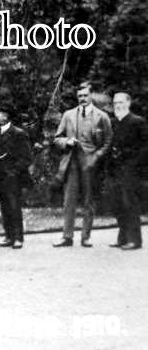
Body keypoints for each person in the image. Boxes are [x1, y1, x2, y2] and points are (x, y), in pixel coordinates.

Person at [52, 83, 113, 247]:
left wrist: (97, 156)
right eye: (79, 96)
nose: (82, 99)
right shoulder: (68, 115)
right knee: (68, 200)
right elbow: (57, 138)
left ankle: (85, 237)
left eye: (85, 95)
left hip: (90, 162)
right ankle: (67, 236)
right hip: (71, 161)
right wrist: (67, 141)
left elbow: (108, 141)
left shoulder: (102, 116)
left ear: (91, 96)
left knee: (88, 200)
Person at [0, 104, 31, 249]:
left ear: (5, 116)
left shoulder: (18, 133)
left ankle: (18, 237)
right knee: (4, 206)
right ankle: (9, 235)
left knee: (14, 205)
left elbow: (26, 157)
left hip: (13, 177)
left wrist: (13, 171)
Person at [106, 93, 147, 250]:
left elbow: (145, 147)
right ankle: (122, 238)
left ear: (128, 103)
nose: (118, 105)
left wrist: (135, 164)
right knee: (117, 204)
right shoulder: (114, 123)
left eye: (121, 102)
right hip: (115, 169)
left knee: (130, 203)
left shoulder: (138, 121)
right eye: (115, 102)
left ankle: (135, 240)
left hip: (131, 169)